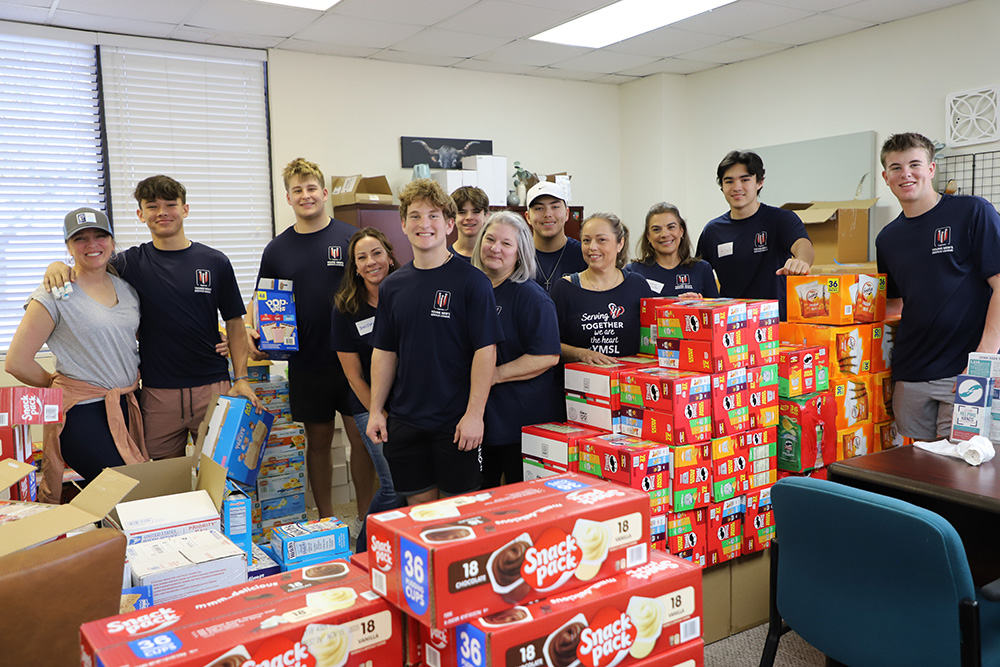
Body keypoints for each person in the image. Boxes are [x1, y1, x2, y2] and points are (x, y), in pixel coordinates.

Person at [43, 176, 259, 462]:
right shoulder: (128, 264)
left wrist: (241, 376)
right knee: (160, 479)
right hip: (158, 394)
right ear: (140, 214)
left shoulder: (215, 261)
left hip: (213, 387)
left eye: (171, 204)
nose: (162, 212)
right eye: (152, 206)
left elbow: (233, 320)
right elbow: (90, 262)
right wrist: (57, 264)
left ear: (185, 209)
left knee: (222, 474)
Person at [248, 157, 372, 521]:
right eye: (297, 190)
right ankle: (327, 519)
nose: (306, 195)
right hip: (307, 363)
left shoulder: (350, 238)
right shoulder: (277, 249)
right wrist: (256, 330)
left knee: (361, 443)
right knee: (317, 444)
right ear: (288, 197)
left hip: (355, 361)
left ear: (324, 192)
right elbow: (263, 299)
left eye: (311, 188)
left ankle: (365, 521)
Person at [366, 179, 503, 506]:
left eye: (433, 216)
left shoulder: (473, 282)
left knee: (458, 516)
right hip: (406, 421)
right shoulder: (393, 286)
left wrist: (474, 415)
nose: (423, 224)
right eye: (414, 216)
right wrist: (375, 410)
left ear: (449, 224)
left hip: (456, 424)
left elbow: (486, 352)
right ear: (403, 224)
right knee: (421, 517)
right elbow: (385, 352)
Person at [7, 208, 148, 502]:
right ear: (68, 247)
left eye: (100, 235)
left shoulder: (127, 290)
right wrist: (59, 388)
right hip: (82, 415)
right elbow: (17, 362)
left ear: (111, 241)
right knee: (127, 494)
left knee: (120, 496)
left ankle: (107, 544)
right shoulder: (56, 294)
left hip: (124, 407)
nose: (92, 244)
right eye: (80, 238)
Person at [876, 132, 1000, 440]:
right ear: (886, 177)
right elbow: (895, 304)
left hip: (965, 371)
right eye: (895, 167)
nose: (906, 173)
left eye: (914, 164)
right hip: (911, 373)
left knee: (963, 471)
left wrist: (983, 360)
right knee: (914, 468)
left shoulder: (972, 212)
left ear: (931, 169)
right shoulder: (887, 239)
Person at [471, 211, 561, 486]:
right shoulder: (473, 290)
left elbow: (547, 355)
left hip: (520, 421)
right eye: (490, 239)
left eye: (506, 244)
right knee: (480, 496)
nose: (495, 248)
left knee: (517, 497)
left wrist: (492, 375)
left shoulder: (531, 297)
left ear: (520, 253)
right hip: (479, 416)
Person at [332, 227, 404, 548]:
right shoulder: (346, 309)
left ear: (389, 255)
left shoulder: (407, 294)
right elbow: (354, 377)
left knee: (410, 483)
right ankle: (362, 550)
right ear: (355, 267)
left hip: (410, 404)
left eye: (376, 253)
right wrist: (379, 412)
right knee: (392, 484)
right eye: (362, 257)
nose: (371, 262)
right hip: (367, 406)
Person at [696, 150, 814, 315]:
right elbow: (698, 272)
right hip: (731, 325)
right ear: (722, 187)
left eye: (745, 180)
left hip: (774, 323)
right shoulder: (712, 231)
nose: (737, 187)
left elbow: (803, 245)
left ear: (759, 182)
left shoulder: (781, 219)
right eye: (729, 181)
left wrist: (801, 261)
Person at [551, 212, 654, 364]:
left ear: (620, 243)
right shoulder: (565, 288)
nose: (592, 247)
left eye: (601, 240)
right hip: (580, 384)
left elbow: (655, 334)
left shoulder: (637, 284)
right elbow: (549, 344)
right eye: (586, 240)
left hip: (628, 383)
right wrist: (582, 353)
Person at [626, 202, 720, 298]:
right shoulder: (633, 272)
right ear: (648, 236)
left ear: (681, 231)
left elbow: (716, 310)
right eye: (656, 229)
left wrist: (701, 305)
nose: (665, 234)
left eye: (671, 227)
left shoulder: (702, 269)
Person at [525, 181, 587, 293]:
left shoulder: (584, 254)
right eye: (539, 208)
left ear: (567, 213)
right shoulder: (518, 255)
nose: (548, 214)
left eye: (555, 207)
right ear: (528, 217)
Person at [448, 185, 489, 262]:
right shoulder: (445, 258)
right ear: (453, 217)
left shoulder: (493, 257)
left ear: (486, 216)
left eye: (476, 212)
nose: (469, 217)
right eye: (462, 212)